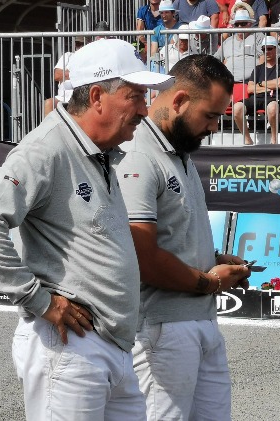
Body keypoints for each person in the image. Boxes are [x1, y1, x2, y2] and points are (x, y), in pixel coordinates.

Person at [0, 38, 175, 420]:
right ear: (97, 97)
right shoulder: (47, 148)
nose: (144, 108)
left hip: (105, 346)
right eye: (135, 96)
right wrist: (40, 301)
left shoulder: (96, 149)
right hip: (71, 347)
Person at [111, 54, 251, 421]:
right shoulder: (138, 155)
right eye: (210, 115)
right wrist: (209, 281)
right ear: (179, 101)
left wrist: (212, 260)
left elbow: (170, 237)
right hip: (161, 329)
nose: (214, 127)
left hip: (198, 321)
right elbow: (142, 257)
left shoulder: (178, 151)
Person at [233, 37, 280, 144]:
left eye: (269, 48)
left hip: (274, 97)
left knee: (272, 108)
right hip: (256, 98)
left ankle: (274, 140)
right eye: (264, 49)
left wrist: (260, 84)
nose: (266, 51)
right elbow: (250, 88)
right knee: (236, 108)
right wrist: (270, 86)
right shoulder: (258, 68)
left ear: (276, 49)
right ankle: (247, 139)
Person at [215, 9, 265, 82]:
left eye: (243, 24)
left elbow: (263, 57)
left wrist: (258, 78)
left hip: (251, 82)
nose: (239, 26)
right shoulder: (227, 41)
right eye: (237, 24)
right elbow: (215, 59)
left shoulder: (258, 36)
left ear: (250, 24)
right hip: (228, 82)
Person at [43, 37, 86, 117]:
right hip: (63, 98)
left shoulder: (90, 58)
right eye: (78, 44)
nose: (80, 47)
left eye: (83, 44)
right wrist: (78, 74)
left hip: (82, 98)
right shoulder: (68, 56)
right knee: (49, 103)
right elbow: (57, 75)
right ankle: (50, 125)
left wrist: (67, 73)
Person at [151, 0, 186, 70]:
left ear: (173, 13)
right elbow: (153, 54)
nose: (163, 15)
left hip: (178, 63)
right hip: (162, 64)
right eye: (161, 13)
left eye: (166, 12)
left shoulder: (181, 28)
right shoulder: (156, 30)